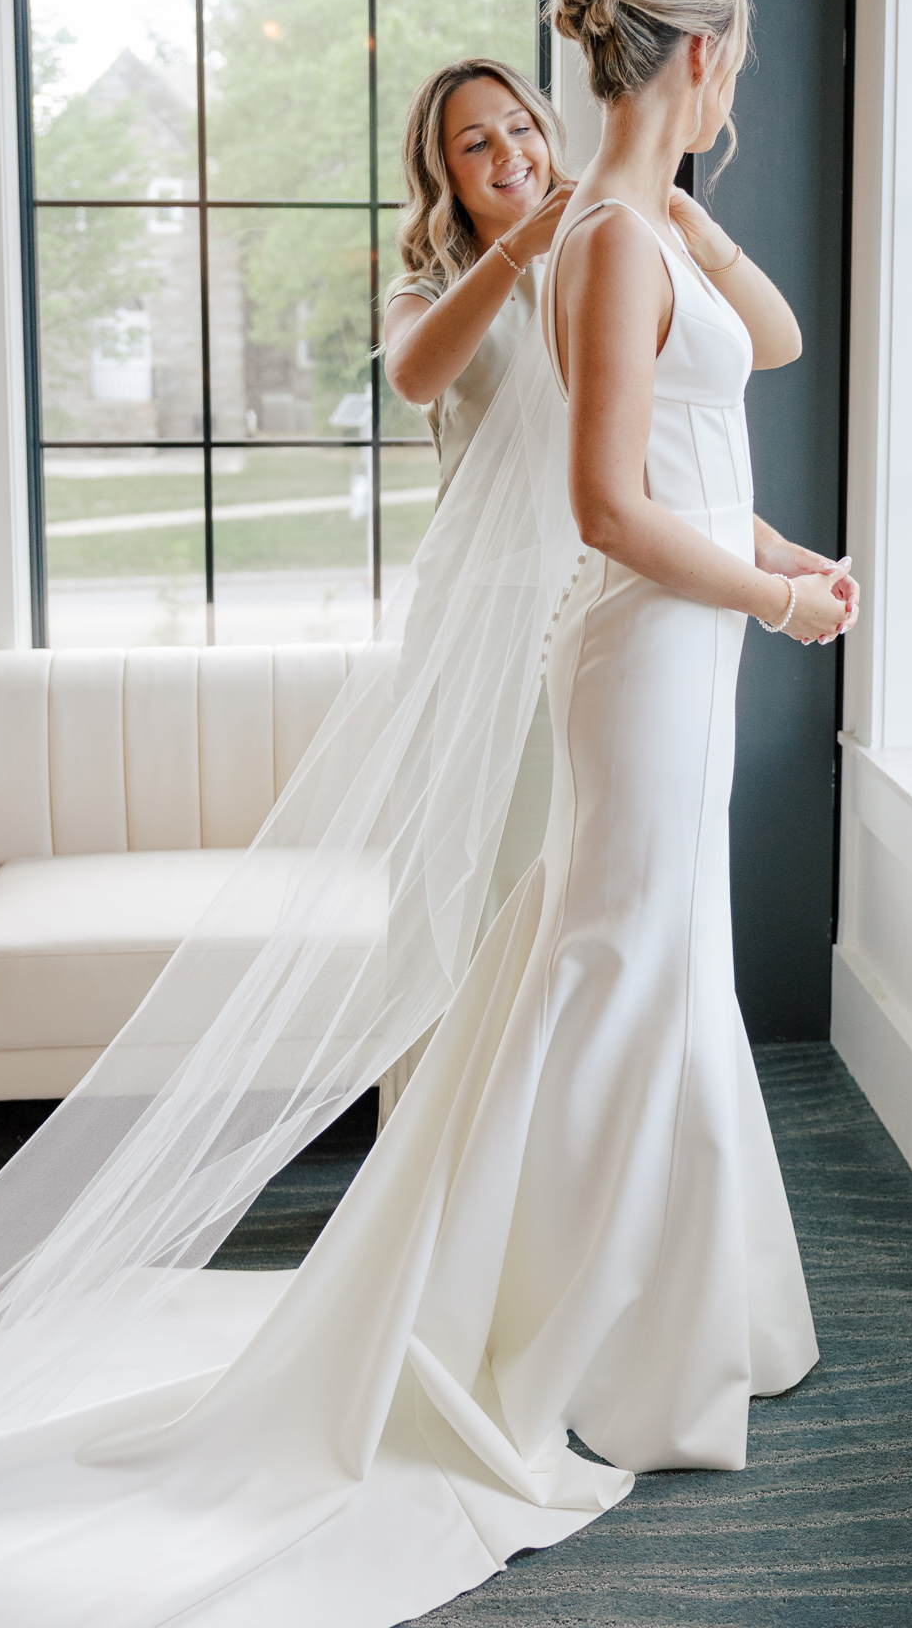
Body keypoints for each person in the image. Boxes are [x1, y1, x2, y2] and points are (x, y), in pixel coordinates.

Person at [0, 0, 858, 1626]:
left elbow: (738, 389)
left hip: (681, 639)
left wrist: (775, 548)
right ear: (703, 56)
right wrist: (776, 596)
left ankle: (661, 1311)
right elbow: (609, 504)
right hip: (647, 647)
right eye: (739, 56)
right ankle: (567, 1331)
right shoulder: (603, 243)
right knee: (611, 967)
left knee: (642, 962)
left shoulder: (637, 225)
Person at [377, 60, 574, 1124]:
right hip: (482, 613)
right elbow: (415, 374)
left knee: (569, 870)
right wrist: (513, 252)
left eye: (518, 127)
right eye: (474, 143)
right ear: (444, 174)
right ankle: (448, 1133)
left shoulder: (602, 253)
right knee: (473, 872)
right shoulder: (429, 283)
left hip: (590, 599)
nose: (507, 154)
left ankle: (547, 1130)